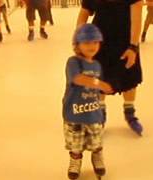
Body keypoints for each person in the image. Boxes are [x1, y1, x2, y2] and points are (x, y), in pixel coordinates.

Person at [76, 0, 144, 135]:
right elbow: (84, 12)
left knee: (129, 76)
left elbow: (137, 16)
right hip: (99, 42)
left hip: (125, 41)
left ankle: (129, 112)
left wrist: (133, 46)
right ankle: (99, 114)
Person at [62, 24, 113, 179]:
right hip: (74, 113)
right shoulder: (73, 62)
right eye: (87, 43)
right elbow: (77, 79)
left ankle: (97, 157)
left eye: (95, 42)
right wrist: (100, 84)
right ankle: (75, 161)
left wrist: (102, 107)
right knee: (76, 144)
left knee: (97, 140)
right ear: (77, 45)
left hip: (93, 113)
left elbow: (99, 92)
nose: (92, 46)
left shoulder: (97, 65)